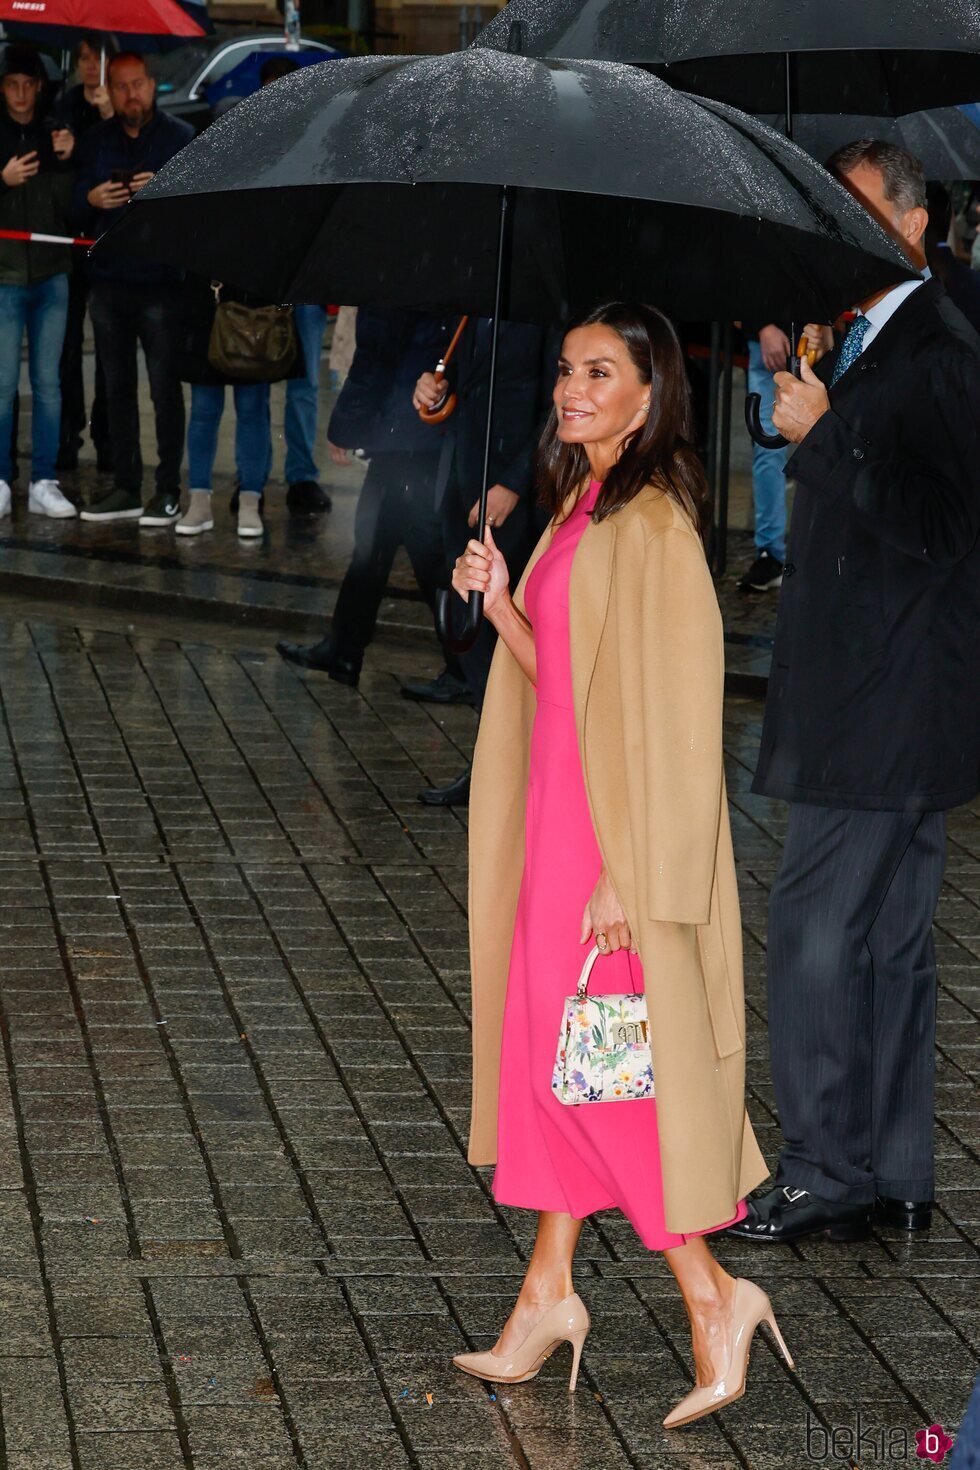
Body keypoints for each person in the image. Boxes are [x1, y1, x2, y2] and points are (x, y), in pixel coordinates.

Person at [453, 302, 785, 1425]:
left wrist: (632, 872)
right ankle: (545, 1294)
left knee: (617, 1081)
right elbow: (569, 684)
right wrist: (502, 605)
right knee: (563, 1067)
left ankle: (713, 1293)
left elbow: (681, 721)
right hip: (553, 834)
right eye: (563, 369)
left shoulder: (652, 525)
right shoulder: (578, 509)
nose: (569, 388)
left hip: (611, 850)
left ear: (651, 395)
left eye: (599, 371)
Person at [727, 140, 980, 1247]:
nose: (839, 223)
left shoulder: (943, 344)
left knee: (813, 928)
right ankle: (891, 1169)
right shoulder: (873, 335)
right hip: (886, 690)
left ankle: (824, 1168)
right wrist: (809, 382)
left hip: (888, 693)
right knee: (881, 937)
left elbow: (941, 527)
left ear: (915, 225)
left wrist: (824, 435)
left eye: (860, 207)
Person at [409, 318, 554, 805]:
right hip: (461, 474)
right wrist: (430, 387)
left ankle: (512, 766)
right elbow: (458, 376)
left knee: (503, 628)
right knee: (469, 627)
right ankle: (496, 758)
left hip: (514, 490)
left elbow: (560, 404)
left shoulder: (544, 300)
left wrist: (515, 481)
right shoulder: (472, 287)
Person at [277, 308, 453, 684]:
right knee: (375, 543)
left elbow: (377, 354)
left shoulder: (395, 274)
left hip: (406, 429)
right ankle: (344, 648)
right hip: (415, 428)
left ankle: (467, 665)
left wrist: (346, 425)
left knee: (422, 554)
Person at [72, 52, 193, 527]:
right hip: (109, 284)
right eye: (120, 87)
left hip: (162, 285)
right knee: (116, 388)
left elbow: (195, 216)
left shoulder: (179, 138)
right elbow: (75, 213)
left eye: (137, 84)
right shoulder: (95, 141)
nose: (130, 95)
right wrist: (90, 198)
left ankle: (167, 490)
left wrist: (165, 193)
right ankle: (125, 484)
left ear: (152, 84)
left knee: (165, 391)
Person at [0, 44, 77, 521]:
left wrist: (69, 159)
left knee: (48, 384)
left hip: (52, 275)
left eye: (29, 85)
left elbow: (72, 207)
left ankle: (44, 479)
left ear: (41, 88)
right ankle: (2, 479)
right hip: (5, 276)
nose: (21, 94)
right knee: (3, 385)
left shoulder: (56, 132)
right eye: (12, 84)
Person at [255, 55, 331, 518]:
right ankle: (252, 481)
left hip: (305, 283)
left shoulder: (319, 143)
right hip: (262, 284)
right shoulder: (249, 146)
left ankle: (301, 477)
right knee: (255, 383)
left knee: (303, 387)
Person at [56, 32, 115, 472]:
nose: (89, 66)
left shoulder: (118, 106)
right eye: (83, 58)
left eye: (96, 58)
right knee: (68, 344)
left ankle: (107, 433)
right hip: (72, 241)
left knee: (109, 346)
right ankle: (69, 430)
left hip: (109, 245)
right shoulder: (67, 103)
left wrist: (107, 116)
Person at [175, 278, 272, 539]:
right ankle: (199, 502)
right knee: (203, 412)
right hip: (205, 307)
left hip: (254, 309)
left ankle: (250, 501)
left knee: (252, 411)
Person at [737, 322, 791, 591]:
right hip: (770, 340)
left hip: (824, 331)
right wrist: (764, 326)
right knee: (768, 447)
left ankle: (774, 554)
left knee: (831, 447)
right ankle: (771, 554)